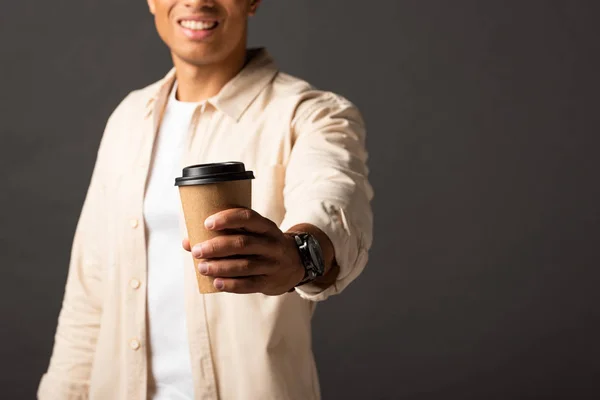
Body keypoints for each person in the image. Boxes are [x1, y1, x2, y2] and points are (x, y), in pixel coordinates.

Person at [38, 0, 373, 399]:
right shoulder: (128, 119)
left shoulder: (312, 114)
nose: (198, 1)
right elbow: (88, 293)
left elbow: (334, 197)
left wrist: (300, 255)